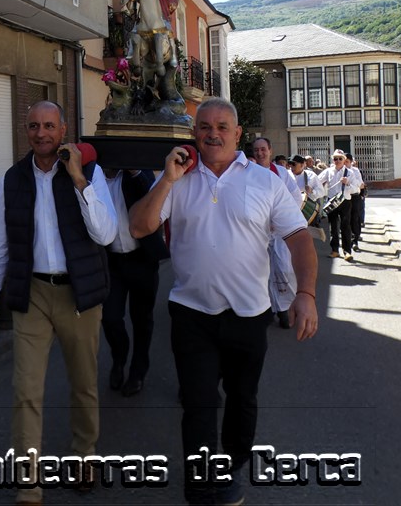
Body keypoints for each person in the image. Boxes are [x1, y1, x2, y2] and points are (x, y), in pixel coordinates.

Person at [130, 98, 318, 505]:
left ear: (237, 134)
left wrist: (305, 294)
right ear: (194, 132)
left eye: (221, 127)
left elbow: (299, 239)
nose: (212, 134)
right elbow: (140, 226)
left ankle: (230, 467)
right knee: (198, 403)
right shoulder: (178, 178)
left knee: (241, 399)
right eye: (204, 127)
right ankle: (200, 485)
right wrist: (166, 180)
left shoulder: (265, 182)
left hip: (248, 315)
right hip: (191, 313)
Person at [0, 101, 118, 503]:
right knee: (26, 389)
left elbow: (106, 234)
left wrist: (78, 179)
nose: (42, 133)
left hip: (78, 293)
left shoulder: (89, 172)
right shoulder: (13, 179)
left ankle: (84, 456)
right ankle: (28, 485)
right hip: (32, 294)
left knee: (83, 385)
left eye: (50, 126)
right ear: (26, 130)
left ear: (63, 130)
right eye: (34, 126)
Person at [101, 168, 168, 397]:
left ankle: (138, 372)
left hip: (141, 259)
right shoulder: (95, 177)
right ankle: (119, 357)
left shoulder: (136, 174)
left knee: (142, 320)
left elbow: (153, 194)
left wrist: (136, 171)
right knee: (110, 318)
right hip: (111, 262)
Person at [252, 137, 304, 330]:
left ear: (270, 150)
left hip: (280, 231)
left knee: (283, 268)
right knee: (261, 271)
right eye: (256, 150)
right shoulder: (248, 173)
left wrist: (282, 219)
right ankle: (266, 310)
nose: (260, 153)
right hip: (258, 232)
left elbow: (296, 197)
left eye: (263, 149)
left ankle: (285, 308)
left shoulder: (281, 173)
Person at [316, 149, 361, 261]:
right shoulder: (328, 171)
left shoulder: (350, 173)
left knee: (345, 226)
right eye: (335, 159)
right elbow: (317, 181)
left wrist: (347, 183)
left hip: (345, 201)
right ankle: (335, 250)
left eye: (340, 158)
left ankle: (347, 251)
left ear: (344, 160)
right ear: (333, 160)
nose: (338, 161)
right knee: (333, 227)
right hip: (332, 201)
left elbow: (356, 189)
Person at [344, 153, 366, 251]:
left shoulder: (355, 171)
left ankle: (355, 240)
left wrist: (350, 181)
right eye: (344, 162)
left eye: (347, 162)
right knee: (346, 220)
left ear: (351, 162)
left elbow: (361, 185)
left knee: (355, 219)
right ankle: (348, 241)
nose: (345, 164)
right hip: (344, 197)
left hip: (354, 196)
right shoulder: (340, 170)